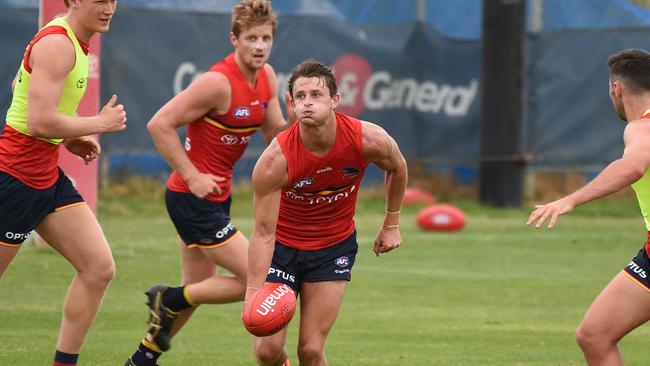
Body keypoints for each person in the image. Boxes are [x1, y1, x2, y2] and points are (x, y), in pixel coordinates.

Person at [123, 1, 295, 365]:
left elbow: (274, 135)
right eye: (251, 38)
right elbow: (159, 124)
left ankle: (143, 357)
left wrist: (298, 124)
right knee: (256, 275)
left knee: (195, 290)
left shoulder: (267, 78)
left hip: (217, 198)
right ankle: (168, 299)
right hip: (191, 198)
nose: (259, 46)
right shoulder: (217, 83)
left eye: (266, 38)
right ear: (234, 39)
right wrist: (192, 175)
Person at [246, 59, 407, 366]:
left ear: (335, 100)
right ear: (291, 104)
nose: (307, 103)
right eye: (300, 97)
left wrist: (391, 223)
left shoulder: (368, 139)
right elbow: (263, 233)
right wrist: (253, 292)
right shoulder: (275, 161)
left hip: (333, 249)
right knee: (266, 352)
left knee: (310, 350)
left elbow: (398, 168)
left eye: (316, 95)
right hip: (282, 250)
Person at [0, 1, 126, 365]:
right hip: (14, 179)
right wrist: (97, 124)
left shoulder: (73, 38)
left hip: (45, 177)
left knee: (99, 268)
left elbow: (21, 91)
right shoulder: (58, 43)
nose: (109, 8)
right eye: (99, 0)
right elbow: (39, 121)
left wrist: (66, 138)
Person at [527, 48, 650, 365]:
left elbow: (633, 167)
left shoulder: (641, 127)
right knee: (594, 335)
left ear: (617, 89)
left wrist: (570, 198)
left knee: (595, 336)